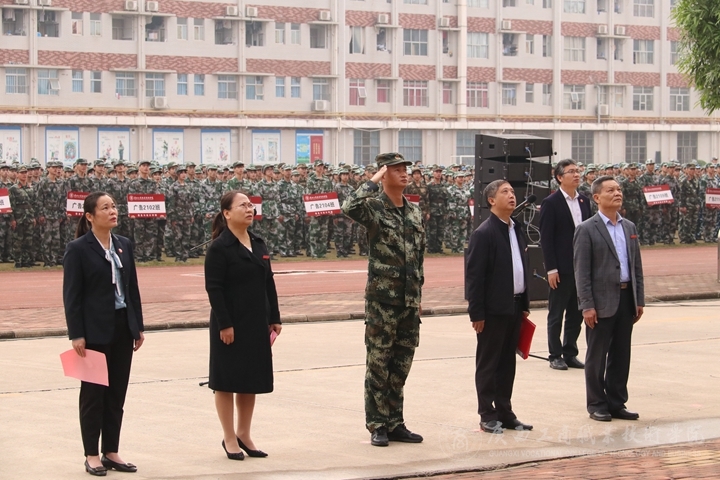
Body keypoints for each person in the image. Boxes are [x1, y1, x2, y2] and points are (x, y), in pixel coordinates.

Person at [342, 152, 425, 447]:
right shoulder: (374, 208)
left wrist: (418, 295)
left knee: (401, 364)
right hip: (382, 301)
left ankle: (395, 422)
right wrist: (372, 181)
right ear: (384, 174)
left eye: (405, 169)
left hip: (408, 301)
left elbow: (418, 257)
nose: (404, 173)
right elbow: (349, 207)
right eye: (397, 169)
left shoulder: (414, 212)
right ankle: (377, 423)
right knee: (379, 363)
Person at [62, 191, 145, 476]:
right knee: (93, 395)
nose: (113, 211)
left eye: (114, 207)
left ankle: (111, 451)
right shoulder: (78, 249)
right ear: (89, 216)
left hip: (122, 327)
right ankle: (91, 454)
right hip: (94, 332)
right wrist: (76, 333)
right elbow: (72, 296)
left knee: (116, 394)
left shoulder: (123, 244)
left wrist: (137, 326)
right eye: (105, 208)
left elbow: (132, 289)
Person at [204, 191, 282, 460]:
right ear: (226, 213)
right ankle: (229, 437)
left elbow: (268, 282)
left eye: (251, 205)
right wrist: (225, 324)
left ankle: (244, 433)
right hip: (230, 324)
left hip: (256, 322)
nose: (250, 209)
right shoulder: (219, 247)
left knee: (250, 380)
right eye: (243, 205)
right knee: (226, 381)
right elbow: (214, 289)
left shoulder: (258, 243)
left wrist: (274, 317)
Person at [573, 176, 645, 422]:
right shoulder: (586, 229)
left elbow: (636, 266)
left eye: (619, 189)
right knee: (597, 355)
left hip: (626, 298)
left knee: (621, 354)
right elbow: (581, 272)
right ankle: (596, 403)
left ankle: (616, 402)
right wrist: (587, 305)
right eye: (610, 190)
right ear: (596, 197)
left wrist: (639, 299)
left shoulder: (629, 227)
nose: (617, 193)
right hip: (600, 302)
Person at [465, 179, 533, 434]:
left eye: (512, 191)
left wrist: (524, 303)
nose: (511, 195)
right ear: (491, 200)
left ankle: (505, 412)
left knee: (507, 364)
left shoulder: (516, 229)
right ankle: (487, 414)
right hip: (492, 311)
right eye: (505, 192)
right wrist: (477, 313)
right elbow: (475, 277)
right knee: (489, 363)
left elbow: (521, 268)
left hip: (514, 306)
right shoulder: (484, 233)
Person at [539, 159, 591, 370]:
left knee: (576, 313)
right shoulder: (551, 203)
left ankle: (570, 352)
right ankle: (555, 354)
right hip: (561, 268)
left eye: (577, 171)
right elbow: (546, 239)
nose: (576, 175)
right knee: (556, 313)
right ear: (560, 177)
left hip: (582, 267)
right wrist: (551, 269)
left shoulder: (584, 201)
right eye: (571, 172)